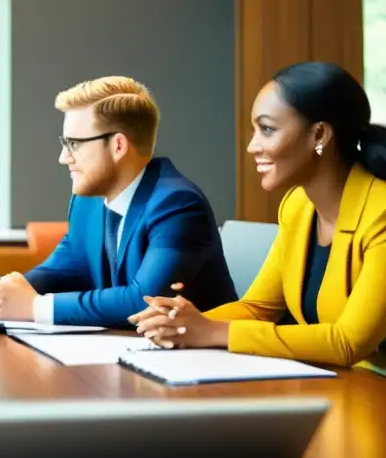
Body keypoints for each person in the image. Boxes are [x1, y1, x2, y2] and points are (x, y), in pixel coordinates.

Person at [131, 63, 386, 371]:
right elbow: (258, 308)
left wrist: (212, 331)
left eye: (267, 129)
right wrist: (180, 322)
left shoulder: (380, 213)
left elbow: (348, 342)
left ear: (319, 134)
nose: (252, 146)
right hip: (341, 385)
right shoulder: (298, 206)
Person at [0, 76, 236, 327]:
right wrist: (8, 290)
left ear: (118, 145)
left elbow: (145, 302)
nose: (63, 157)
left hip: (193, 363)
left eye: (74, 144)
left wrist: (35, 307)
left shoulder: (178, 205)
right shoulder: (86, 203)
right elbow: (63, 270)